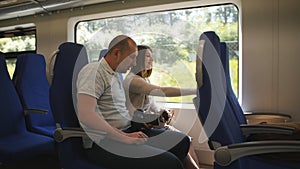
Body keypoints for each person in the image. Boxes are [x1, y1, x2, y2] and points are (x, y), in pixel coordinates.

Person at [76, 35, 191, 169]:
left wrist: (138, 122)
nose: (135, 63)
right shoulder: (94, 71)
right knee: (170, 163)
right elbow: (86, 114)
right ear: (116, 53)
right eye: (132, 57)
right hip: (104, 143)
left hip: (127, 131)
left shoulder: (115, 75)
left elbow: (116, 112)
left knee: (181, 141)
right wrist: (124, 137)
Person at [123, 45, 200, 169]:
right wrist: (196, 90)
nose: (151, 60)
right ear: (138, 59)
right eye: (148, 56)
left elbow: (152, 106)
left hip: (147, 121)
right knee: (185, 142)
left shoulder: (144, 80)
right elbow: (161, 91)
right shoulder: (133, 80)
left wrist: (162, 113)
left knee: (188, 141)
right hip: (136, 126)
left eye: (152, 57)